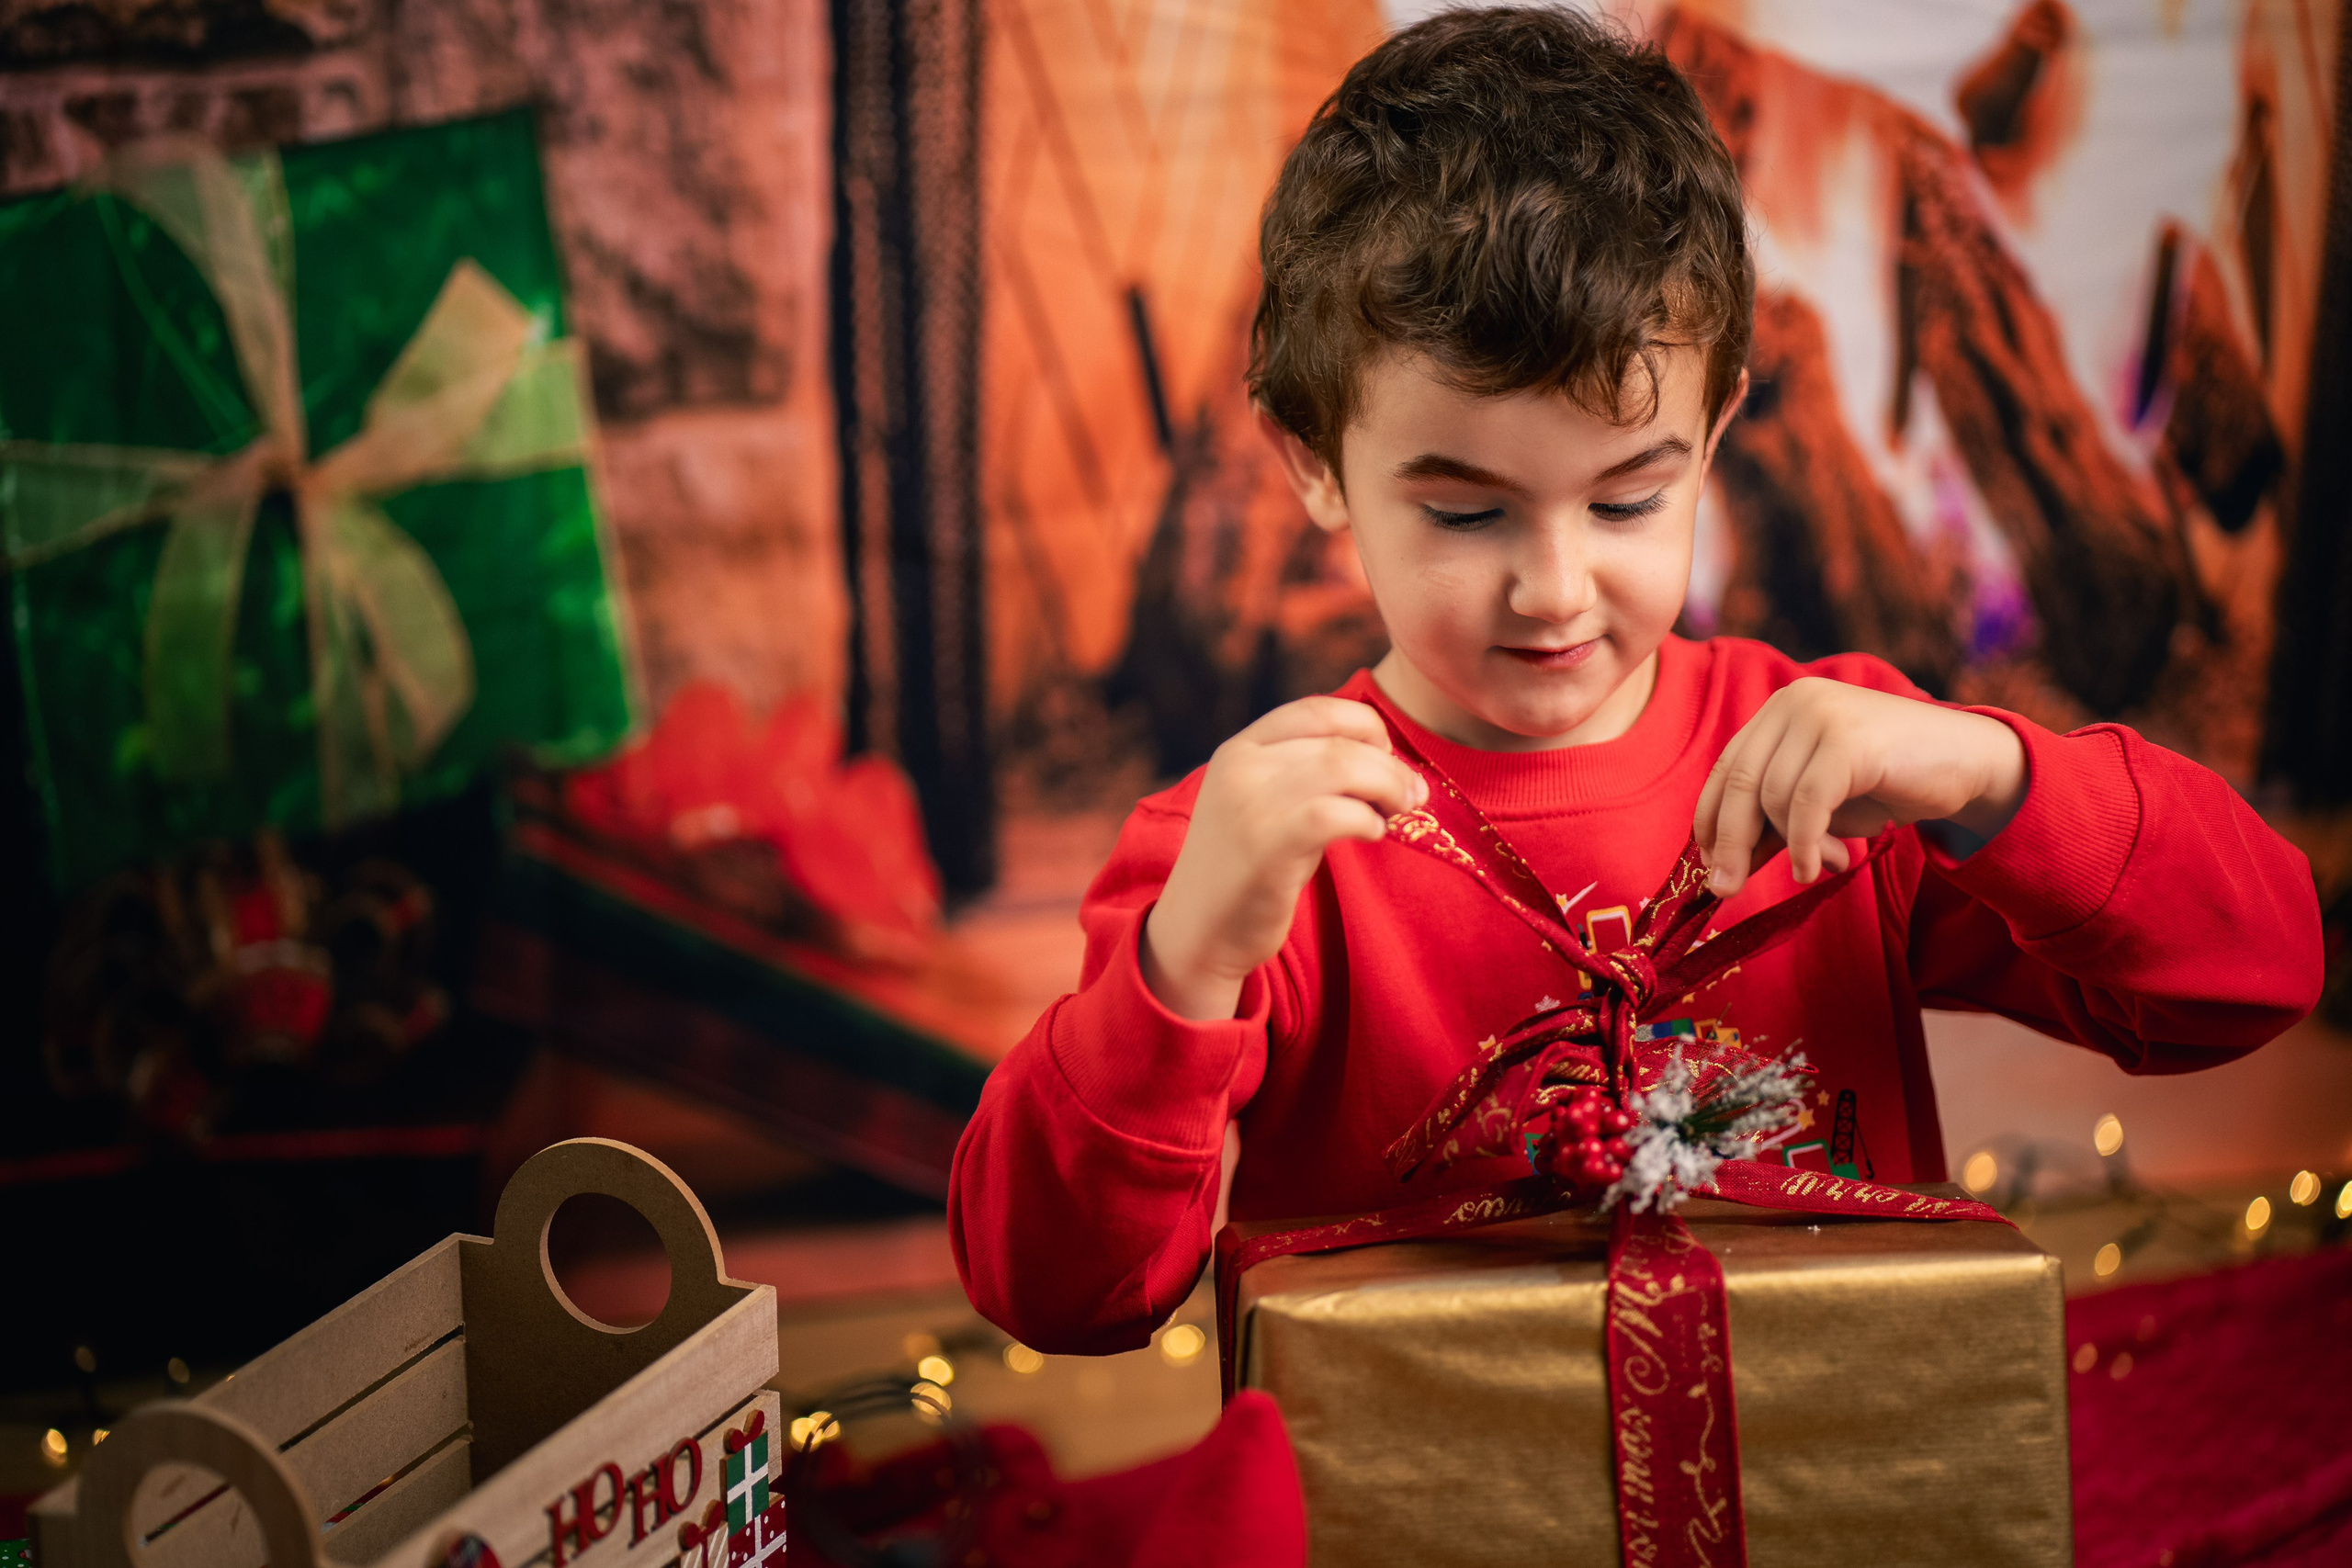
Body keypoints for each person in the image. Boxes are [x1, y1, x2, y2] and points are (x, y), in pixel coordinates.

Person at [948, 6, 2323, 1354]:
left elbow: (2254, 979)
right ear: (1312, 459)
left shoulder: (1848, 772)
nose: (1553, 590)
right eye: (1466, 515)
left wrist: (1991, 775)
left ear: (1717, 428)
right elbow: (1064, 1295)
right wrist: (1183, 969)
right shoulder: (1242, 854)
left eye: (1625, 503)